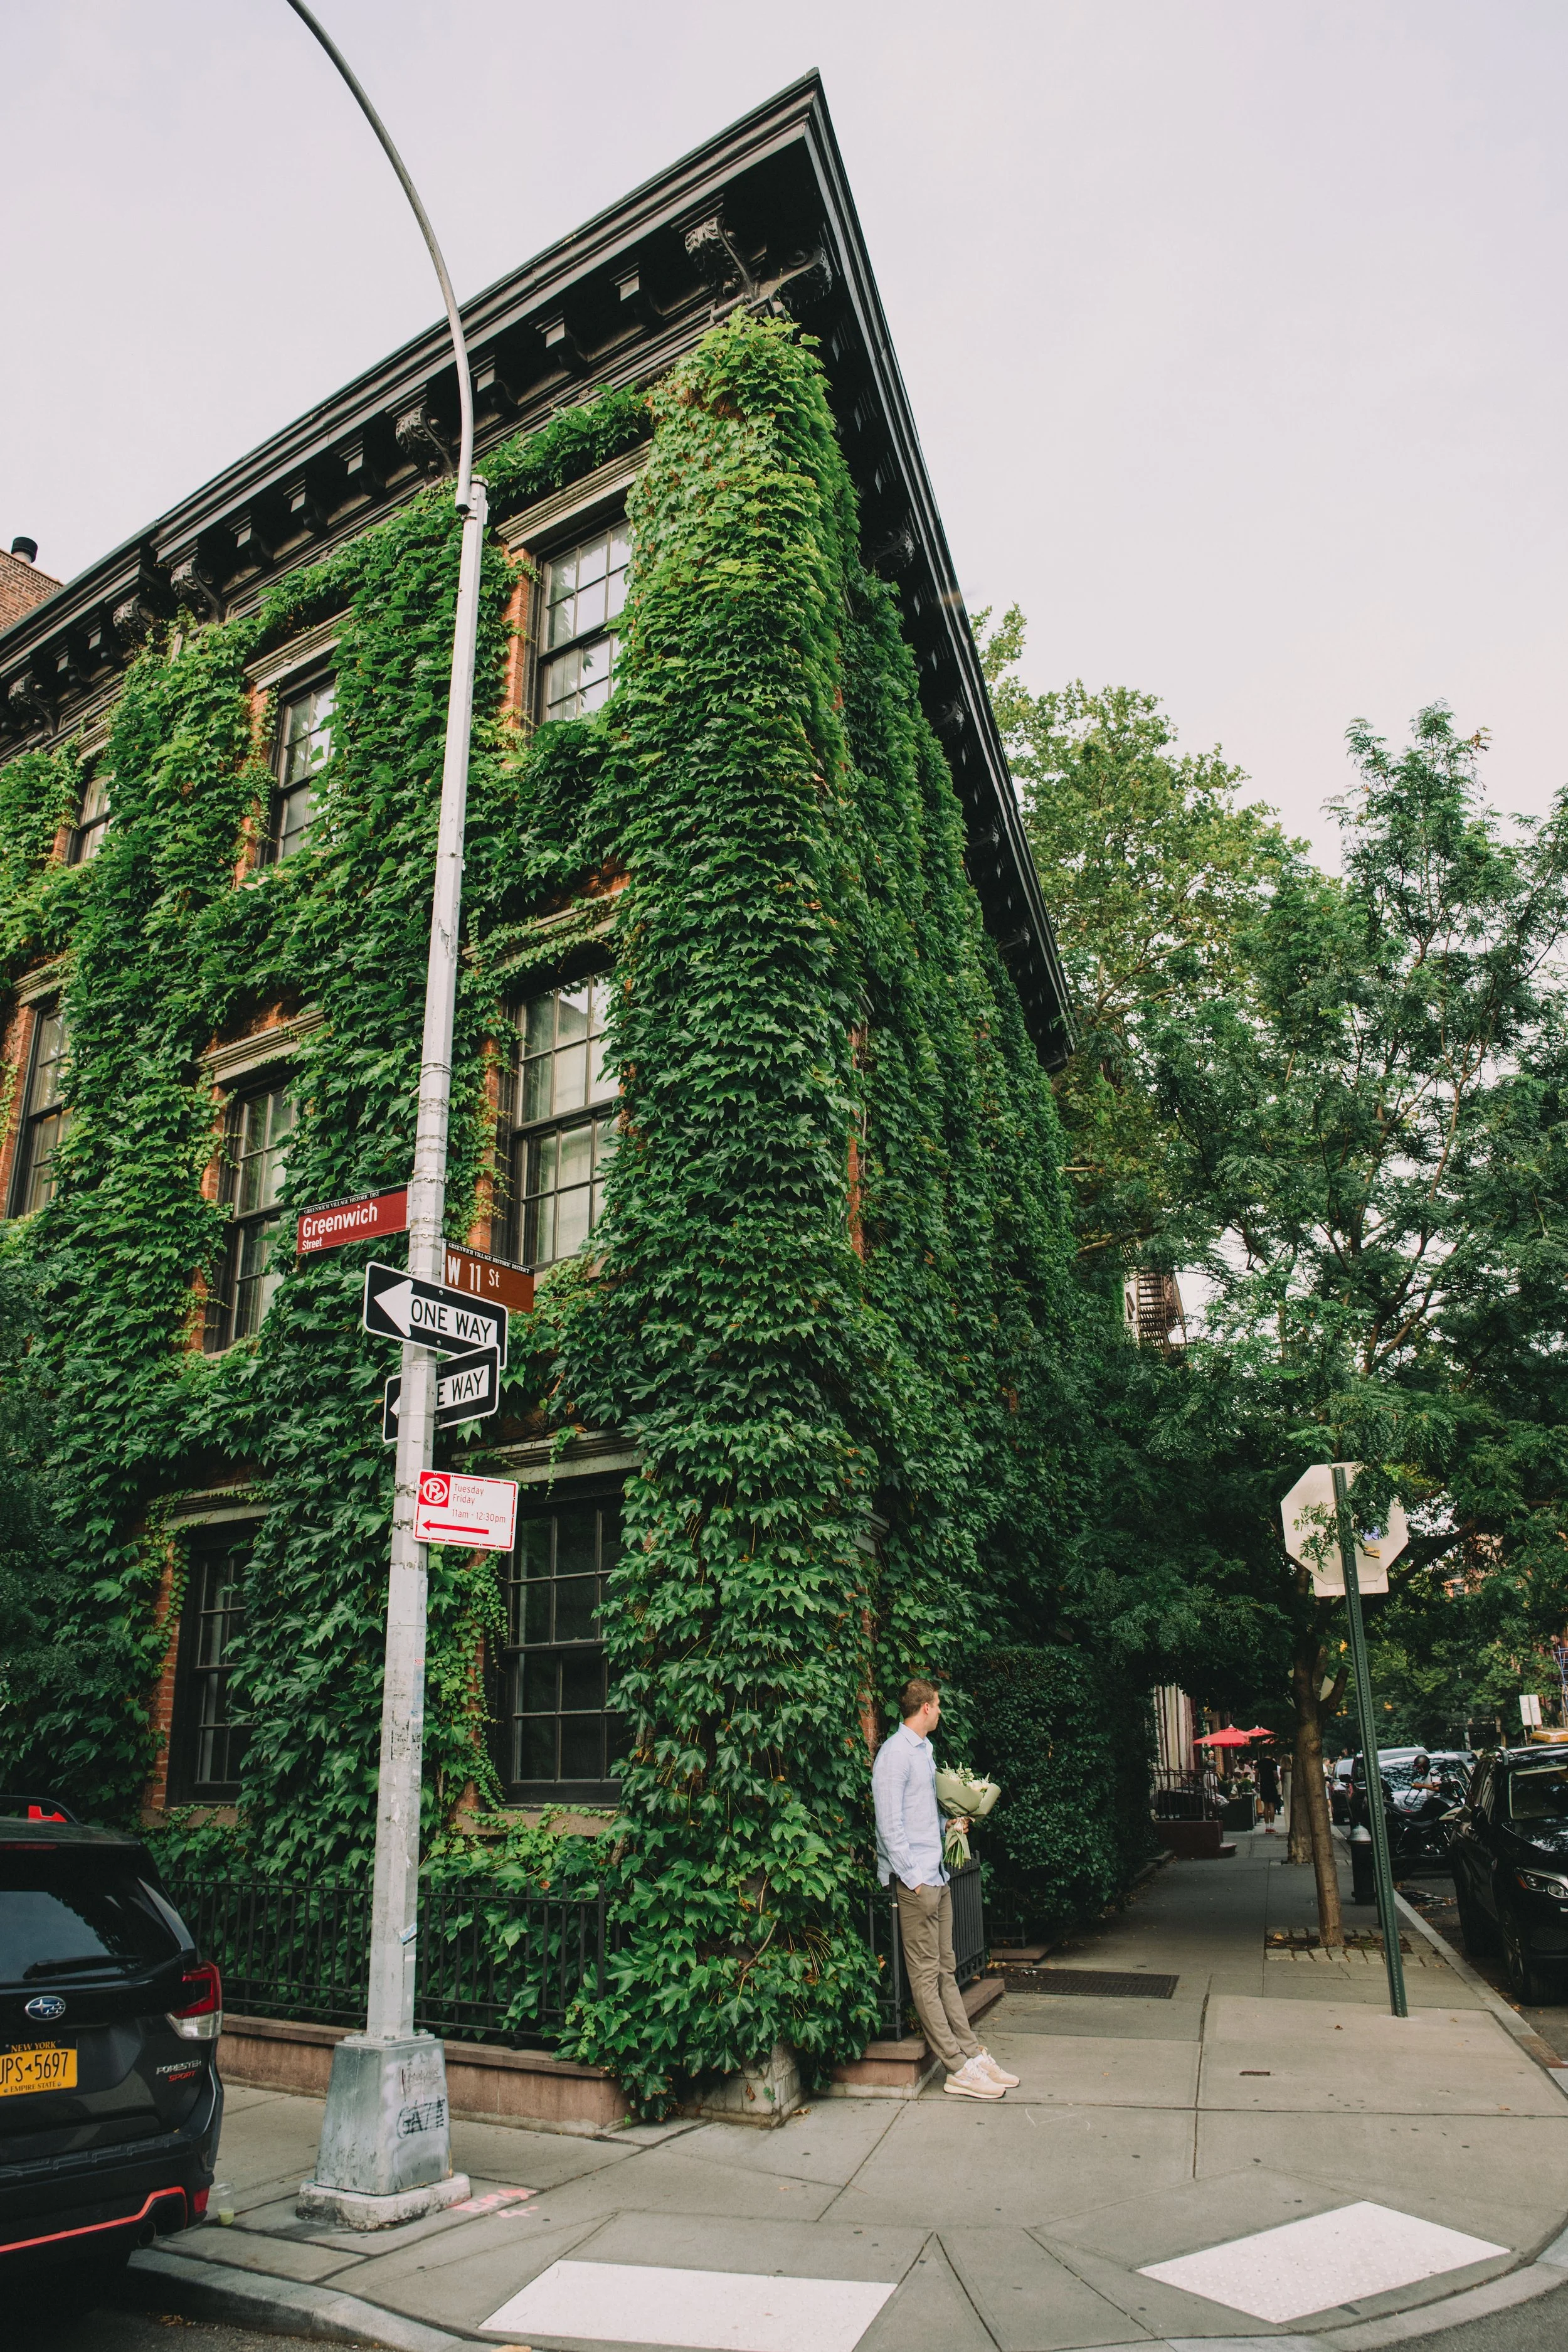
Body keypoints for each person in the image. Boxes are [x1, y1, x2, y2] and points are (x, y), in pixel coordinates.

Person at [872, 1678, 1017, 2100]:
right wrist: (912, 1876)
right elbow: (889, 1823)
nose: (941, 1711)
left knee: (946, 1970)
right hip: (917, 1881)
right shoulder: (894, 1755)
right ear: (926, 1708)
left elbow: (917, 1815)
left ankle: (971, 2053)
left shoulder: (924, 1752)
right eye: (938, 1705)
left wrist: (949, 1824)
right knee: (924, 1978)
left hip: (937, 1874)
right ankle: (956, 2067)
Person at [1255, 1749, 1281, 1833]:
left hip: (1263, 1785)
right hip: (1271, 1785)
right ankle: (1272, 1827)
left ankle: (1267, 1827)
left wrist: (1256, 1784)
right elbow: (1275, 1775)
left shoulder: (1260, 1762)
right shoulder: (1272, 1763)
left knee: (1266, 1806)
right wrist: (1276, 1782)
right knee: (1272, 1806)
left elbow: (1256, 1774)